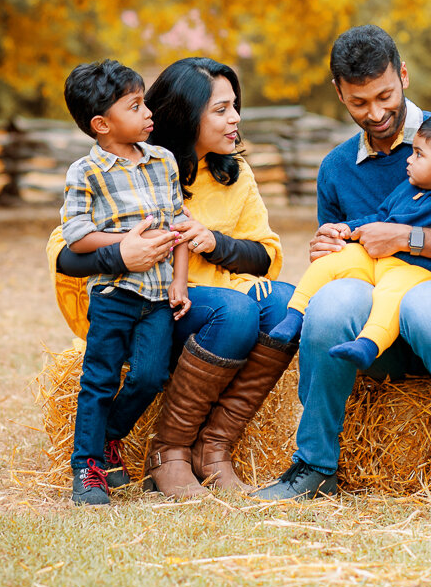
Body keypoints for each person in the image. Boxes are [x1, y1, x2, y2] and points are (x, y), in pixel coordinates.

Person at [256, 25, 431, 515]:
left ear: (403, 76)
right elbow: (351, 263)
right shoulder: (336, 168)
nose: (376, 113)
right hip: (379, 336)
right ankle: (314, 466)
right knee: (332, 300)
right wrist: (330, 243)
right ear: (339, 93)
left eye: (385, 95)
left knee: (425, 303)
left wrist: (409, 238)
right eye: (359, 102)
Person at [47, 57, 296, 499]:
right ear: (185, 114)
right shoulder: (128, 165)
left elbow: (265, 255)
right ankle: (168, 450)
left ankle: (213, 447)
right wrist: (122, 251)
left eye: (234, 106)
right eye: (220, 110)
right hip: (141, 299)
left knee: (288, 305)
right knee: (235, 312)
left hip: (189, 298)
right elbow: (65, 252)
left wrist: (212, 241)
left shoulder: (228, 173)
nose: (235, 118)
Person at [269, 115, 431, 369]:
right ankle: (295, 316)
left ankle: (368, 344)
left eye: (418, 154)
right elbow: (380, 217)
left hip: (417, 272)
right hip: (378, 260)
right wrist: (348, 228)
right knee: (335, 260)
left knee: (389, 294)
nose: (409, 159)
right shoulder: (406, 188)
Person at [60, 59, 190, 507]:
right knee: (98, 379)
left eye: (144, 102)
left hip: (157, 297)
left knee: (152, 375)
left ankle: (110, 437)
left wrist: (181, 282)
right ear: (101, 124)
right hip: (114, 295)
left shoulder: (163, 161)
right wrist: (124, 245)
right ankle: (86, 467)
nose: (148, 112)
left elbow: (179, 226)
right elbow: (76, 236)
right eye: (135, 106)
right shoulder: (86, 173)